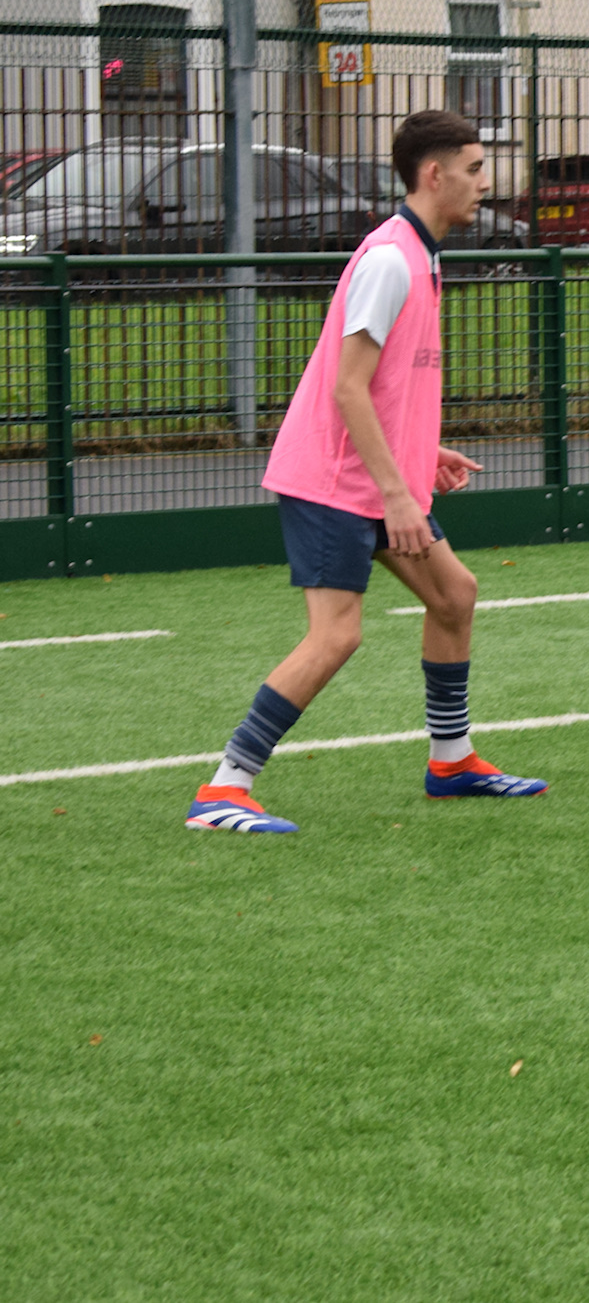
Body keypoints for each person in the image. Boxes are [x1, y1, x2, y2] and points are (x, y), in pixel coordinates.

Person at [185, 111, 547, 834]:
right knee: (336, 635)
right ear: (434, 175)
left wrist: (422, 453)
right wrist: (395, 493)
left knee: (454, 595)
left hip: (375, 480)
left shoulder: (422, 254)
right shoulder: (389, 259)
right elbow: (347, 387)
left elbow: (388, 386)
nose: (486, 182)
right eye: (474, 169)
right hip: (332, 484)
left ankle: (451, 762)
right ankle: (223, 788)